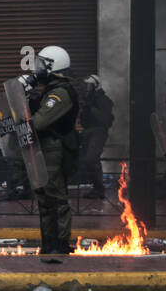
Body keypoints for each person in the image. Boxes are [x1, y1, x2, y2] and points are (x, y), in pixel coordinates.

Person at [28, 46, 80, 255]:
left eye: (41, 64)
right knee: (44, 199)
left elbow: (39, 122)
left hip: (55, 151)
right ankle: (48, 243)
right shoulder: (50, 91)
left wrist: (29, 112)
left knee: (56, 199)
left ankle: (59, 244)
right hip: (45, 151)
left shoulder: (60, 93)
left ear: (53, 66)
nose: (37, 69)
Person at [75, 74, 114, 199]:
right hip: (87, 132)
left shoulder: (103, 100)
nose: (87, 88)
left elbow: (106, 119)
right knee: (87, 160)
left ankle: (99, 189)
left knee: (91, 159)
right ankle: (96, 188)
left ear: (96, 86)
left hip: (98, 132)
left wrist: (91, 109)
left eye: (89, 85)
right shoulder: (88, 100)